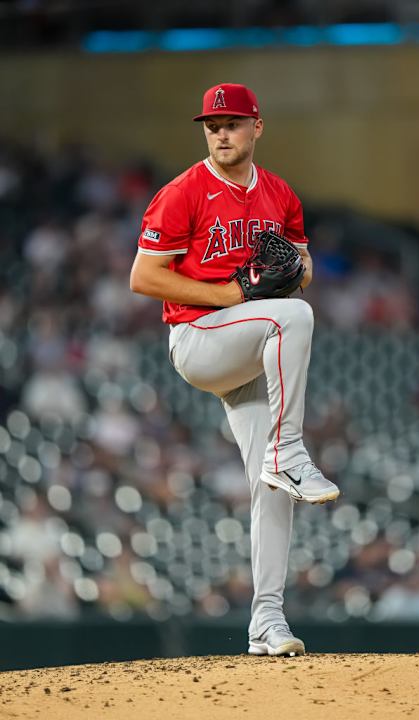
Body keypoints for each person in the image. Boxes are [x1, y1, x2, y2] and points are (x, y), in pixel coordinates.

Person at [130, 83, 339, 656]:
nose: (221, 133)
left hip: (247, 344)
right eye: (211, 125)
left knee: (269, 488)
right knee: (291, 318)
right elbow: (143, 278)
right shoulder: (183, 192)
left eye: (232, 123)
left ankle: (267, 622)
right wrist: (227, 295)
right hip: (198, 339)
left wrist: (291, 270)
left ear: (256, 127)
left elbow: (304, 268)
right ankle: (289, 449)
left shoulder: (279, 194)